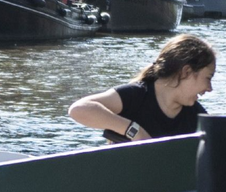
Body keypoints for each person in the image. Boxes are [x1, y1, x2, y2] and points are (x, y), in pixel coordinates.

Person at [67, 34, 216, 144]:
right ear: (186, 72)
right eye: (208, 78)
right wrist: (134, 131)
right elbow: (78, 109)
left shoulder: (197, 116)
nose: (210, 88)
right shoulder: (136, 96)